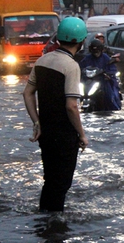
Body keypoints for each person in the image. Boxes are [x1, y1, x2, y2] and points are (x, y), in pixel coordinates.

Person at [22, 17, 89, 212]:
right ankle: (54, 227)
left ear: (58, 38)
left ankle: (44, 222)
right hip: (64, 135)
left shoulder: (42, 60)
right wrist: (82, 134)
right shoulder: (71, 66)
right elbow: (71, 106)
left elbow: (27, 93)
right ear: (81, 41)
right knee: (61, 184)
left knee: (50, 180)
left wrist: (36, 122)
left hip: (46, 132)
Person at [79, 39, 122, 111]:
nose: (96, 53)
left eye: (97, 51)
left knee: (109, 97)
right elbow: (81, 66)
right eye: (94, 51)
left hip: (103, 82)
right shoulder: (87, 58)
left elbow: (112, 69)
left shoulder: (105, 58)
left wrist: (108, 73)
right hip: (89, 82)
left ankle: (115, 108)